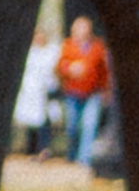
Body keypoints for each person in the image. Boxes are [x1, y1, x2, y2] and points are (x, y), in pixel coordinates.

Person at [54, 14, 109, 167]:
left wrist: (105, 90)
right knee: (72, 126)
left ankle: (84, 160)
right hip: (72, 92)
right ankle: (71, 155)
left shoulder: (97, 46)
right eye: (78, 27)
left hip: (93, 93)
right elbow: (59, 67)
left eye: (84, 27)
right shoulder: (68, 45)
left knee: (89, 125)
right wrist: (69, 69)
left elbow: (103, 71)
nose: (81, 31)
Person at [14, 27, 59, 158]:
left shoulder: (52, 51)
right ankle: (31, 149)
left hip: (47, 90)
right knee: (31, 121)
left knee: (45, 120)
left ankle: (44, 148)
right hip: (30, 91)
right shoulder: (29, 53)